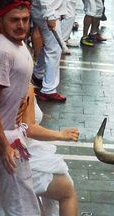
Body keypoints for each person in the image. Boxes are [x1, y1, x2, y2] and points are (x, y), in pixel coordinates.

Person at [0, 0, 40, 215]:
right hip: (4, 144)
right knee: (23, 210)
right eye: (14, 20)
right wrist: (5, 147)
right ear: (0, 20)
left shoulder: (18, 43)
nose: (21, 25)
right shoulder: (1, 53)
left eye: (25, 19)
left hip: (12, 137)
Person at [17, 85, 79, 215]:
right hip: (19, 152)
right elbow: (28, 128)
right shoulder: (23, 81)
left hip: (20, 149)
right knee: (67, 191)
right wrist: (61, 135)